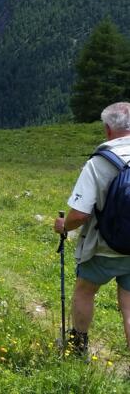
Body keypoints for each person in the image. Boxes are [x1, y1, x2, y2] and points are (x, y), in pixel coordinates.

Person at [54, 102, 130, 355]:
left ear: (108, 129)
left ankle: (78, 348)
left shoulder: (100, 163)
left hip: (104, 247)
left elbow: (80, 214)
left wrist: (64, 226)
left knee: (85, 291)